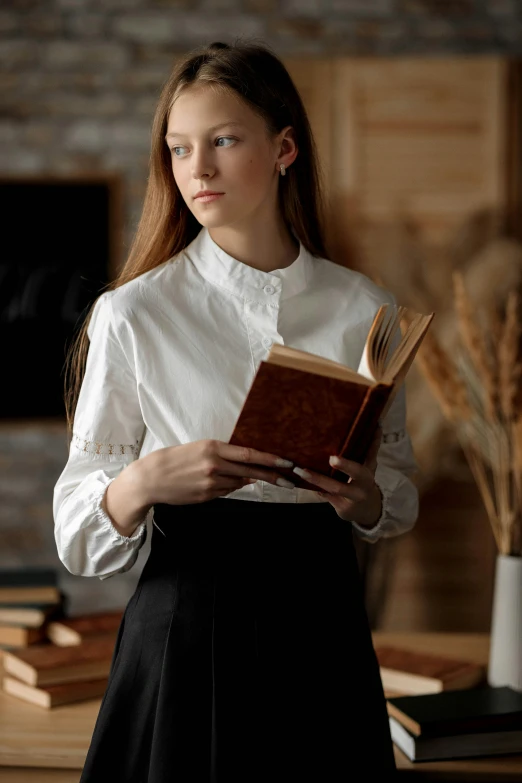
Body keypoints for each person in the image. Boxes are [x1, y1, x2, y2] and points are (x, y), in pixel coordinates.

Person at [53, 39, 418, 783]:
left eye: (222, 140)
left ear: (284, 148)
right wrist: (147, 480)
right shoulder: (132, 314)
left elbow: (399, 492)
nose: (198, 169)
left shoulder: (366, 310)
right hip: (183, 628)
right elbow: (75, 530)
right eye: (180, 148)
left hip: (323, 631)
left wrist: (367, 497)